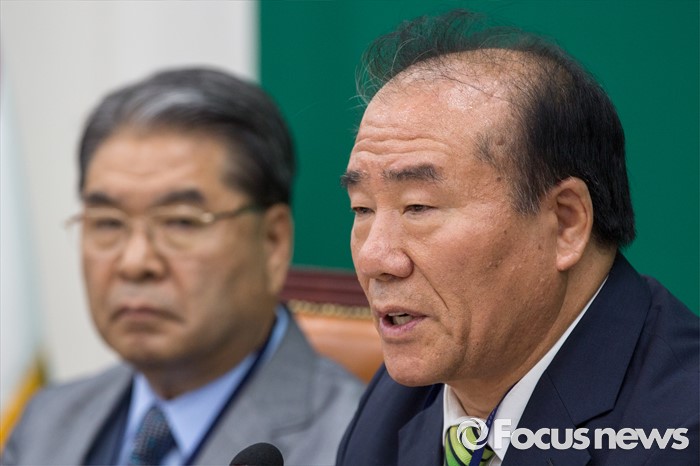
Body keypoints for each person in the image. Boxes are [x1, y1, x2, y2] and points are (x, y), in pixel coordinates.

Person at [336, 9, 698, 466]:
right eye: (362, 209)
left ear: (565, 223)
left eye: (418, 207)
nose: (374, 258)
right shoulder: (398, 403)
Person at [2, 67, 363, 466]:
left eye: (180, 222)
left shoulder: (358, 444)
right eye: (107, 223)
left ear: (272, 241)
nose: (135, 263)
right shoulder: (45, 422)